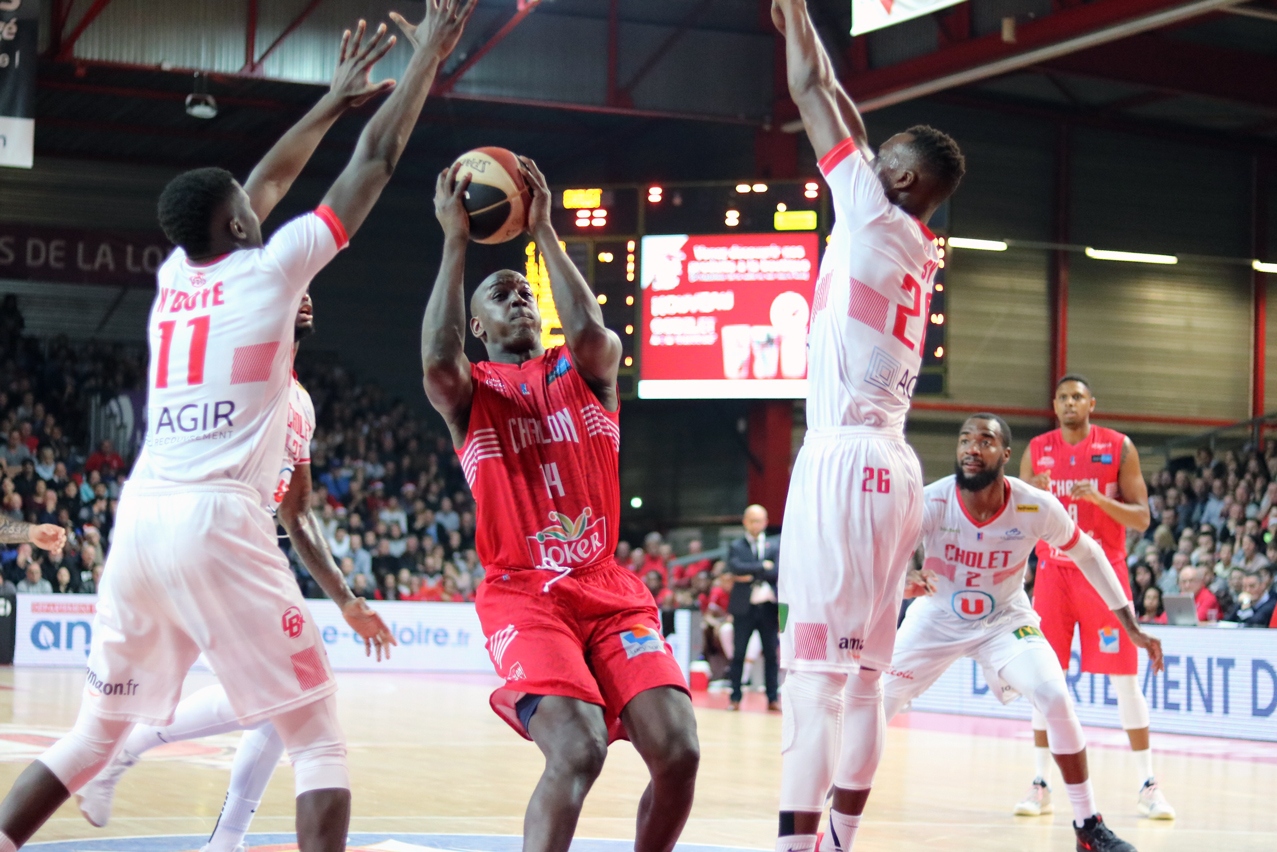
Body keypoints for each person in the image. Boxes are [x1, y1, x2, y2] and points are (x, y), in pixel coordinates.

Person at [0, 6, 478, 850]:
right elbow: (375, 161)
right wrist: (423, 65)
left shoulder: (178, 274)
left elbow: (258, 182)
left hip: (140, 518)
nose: (259, 201)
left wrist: (332, 99)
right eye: (247, 205)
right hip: (216, 518)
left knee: (91, 735)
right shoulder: (271, 269)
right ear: (240, 225)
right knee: (317, 735)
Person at [420, 155, 698, 852]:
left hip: (607, 588)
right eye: (499, 295)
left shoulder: (586, 373)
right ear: (476, 327)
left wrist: (543, 232)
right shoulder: (470, 394)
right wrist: (456, 241)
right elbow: (436, 362)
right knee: (576, 752)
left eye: (525, 292)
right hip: (523, 594)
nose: (517, 298)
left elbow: (592, 334)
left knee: (679, 752)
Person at [75, 295, 396, 852]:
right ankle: (128, 749)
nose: (308, 297)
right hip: (206, 536)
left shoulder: (301, 402)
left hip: (248, 549)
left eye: (310, 292)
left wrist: (347, 599)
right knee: (300, 696)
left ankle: (223, 839)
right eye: (290, 290)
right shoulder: (241, 369)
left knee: (291, 700)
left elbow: (297, 512)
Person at [769, 3, 964, 851]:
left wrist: (793, 17)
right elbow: (842, 105)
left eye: (883, 158)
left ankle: (793, 845)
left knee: (813, 681)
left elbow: (813, 88)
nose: (865, 154)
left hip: (844, 465)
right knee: (864, 681)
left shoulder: (872, 212)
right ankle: (840, 840)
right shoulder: (914, 239)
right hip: (892, 468)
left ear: (906, 182)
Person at [885, 415, 1159, 852]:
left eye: (985, 440)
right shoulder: (931, 501)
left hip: (1004, 620)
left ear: (1006, 455)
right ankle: (833, 806)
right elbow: (886, 564)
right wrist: (904, 582)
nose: (972, 448)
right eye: (964, 440)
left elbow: (1091, 556)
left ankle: (1088, 825)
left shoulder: (1035, 505)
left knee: (1054, 695)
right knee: (879, 701)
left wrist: (1132, 626)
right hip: (936, 616)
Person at [1020, 374, 1175, 820]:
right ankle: (1040, 783)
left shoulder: (1118, 446)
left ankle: (1148, 785)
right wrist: (1037, 497)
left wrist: (1100, 501)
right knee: (1042, 681)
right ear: (1054, 405)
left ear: (1092, 403)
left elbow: (1143, 518)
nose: (1070, 403)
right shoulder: (1037, 449)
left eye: (1078, 397)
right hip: (1052, 575)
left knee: (1125, 679)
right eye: (1063, 397)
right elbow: (1020, 514)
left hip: (1104, 576)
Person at [726, 504, 780, 711]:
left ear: (766, 522)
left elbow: (776, 571)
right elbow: (735, 567)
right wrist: (761, 567)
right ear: (745, 522)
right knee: (739, 653)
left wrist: (749, 575)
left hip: (767, 607)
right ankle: (735, 697)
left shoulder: (773, 545)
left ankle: (772, 698)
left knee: (771, 655)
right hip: (744, 608)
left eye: (760, 520)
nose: (756, 524)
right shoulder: (736, 546)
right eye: (752, 520)